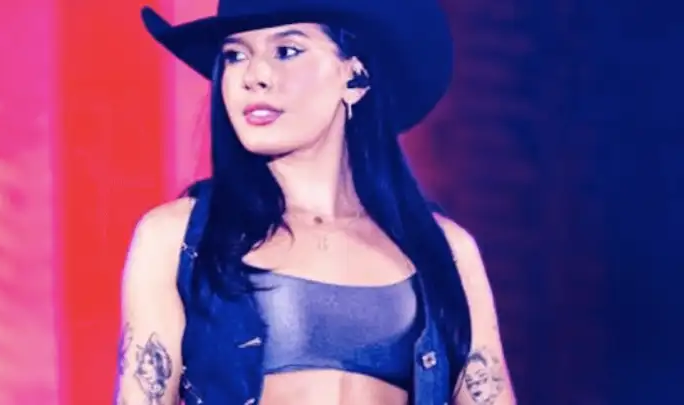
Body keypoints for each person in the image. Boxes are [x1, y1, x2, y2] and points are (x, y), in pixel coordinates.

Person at [115, 0, 517, 404]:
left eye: (286, 51)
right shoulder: (177, 237)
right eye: (235, 55)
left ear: (355, 77)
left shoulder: (445, 249)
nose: (254, 76)